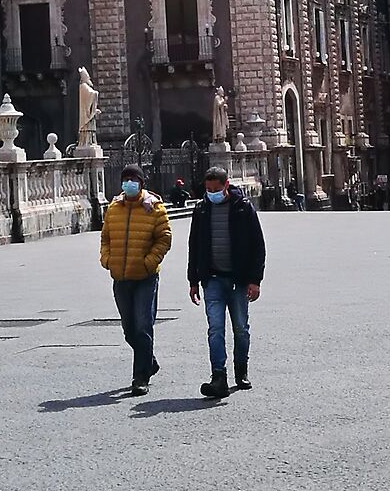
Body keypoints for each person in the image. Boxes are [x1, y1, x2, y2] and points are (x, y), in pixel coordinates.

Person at [188, 162, 267, 398]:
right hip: (212, 279)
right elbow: (195, 246)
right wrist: (193, 280)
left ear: (226, 185)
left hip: (239, 280)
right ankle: (218, 376)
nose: (210, 193)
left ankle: (241, 370)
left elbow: (258, 246)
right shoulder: (201, 209)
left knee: (241, 328)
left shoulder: (243, 208)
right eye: (207, 189)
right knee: (215, 329)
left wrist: (255, 280)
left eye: (215, 188)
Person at [99, 163, 171, 396]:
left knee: (142, 325)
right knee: (129, 328)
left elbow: (164, 239)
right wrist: (107, 259)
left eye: (134, 179)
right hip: (120, 276)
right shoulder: (114, 208)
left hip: (145, 277)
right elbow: (106, 238)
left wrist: (149, 262)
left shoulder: (155, 208)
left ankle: (140, 377)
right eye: (126, 179)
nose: (129, 183)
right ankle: (148, 360)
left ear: (141, 183)